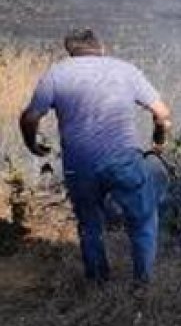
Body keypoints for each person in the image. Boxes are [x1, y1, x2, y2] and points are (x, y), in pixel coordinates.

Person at [19, 29, 172, 284]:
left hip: (79, 165)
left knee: (90, 226)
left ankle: (98, 285)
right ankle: (143, 284)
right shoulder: (125, 70)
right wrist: (159, 139)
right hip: (123, 159)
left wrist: (31, 144)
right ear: (101, 47)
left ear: (70, 49)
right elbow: (162, 113)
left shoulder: (57, 73)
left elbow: (30, 117)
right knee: (143, 221)